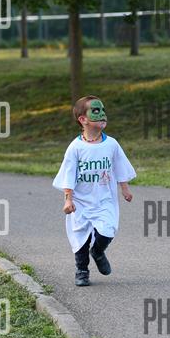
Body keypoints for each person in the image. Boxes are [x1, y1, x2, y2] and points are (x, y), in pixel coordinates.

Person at [53, 96, 136, 286]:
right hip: (81, 201)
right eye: (96, 111)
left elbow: (120, 166)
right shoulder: (75, 147)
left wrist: (125, 188)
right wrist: (68, 199)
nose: (103, 114)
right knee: (80, 236)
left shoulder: (111, 144)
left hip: (104, 199)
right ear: (83, 119)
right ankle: (82, 271)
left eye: (103, 110)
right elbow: (68, 174)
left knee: (107, 230)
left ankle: (98, 251)